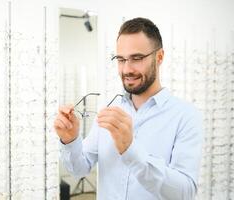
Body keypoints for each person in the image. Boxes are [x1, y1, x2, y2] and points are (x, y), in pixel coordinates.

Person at [54, 17, 203, 200]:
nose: (126, 69)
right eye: (121, 59)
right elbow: (79, 168)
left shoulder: (186, 116)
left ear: (160, 57)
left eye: (137, 58)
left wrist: (131, 150)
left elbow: (184, 193)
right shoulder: (109, 108)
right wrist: (70, 141)